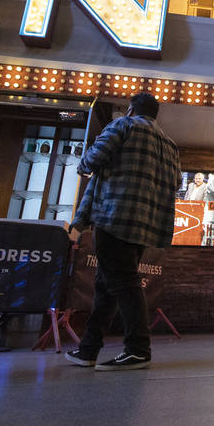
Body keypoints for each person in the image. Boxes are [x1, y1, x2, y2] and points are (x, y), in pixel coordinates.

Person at [66, 92, 181, 370]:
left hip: (114, 216)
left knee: (124, 283)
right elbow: (176, 182)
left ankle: (138, 349)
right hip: (145, 224)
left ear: (130, 109)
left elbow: (89, 163)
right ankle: (88, 349)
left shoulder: (122, 126)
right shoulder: (169, 144)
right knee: (107, 285)